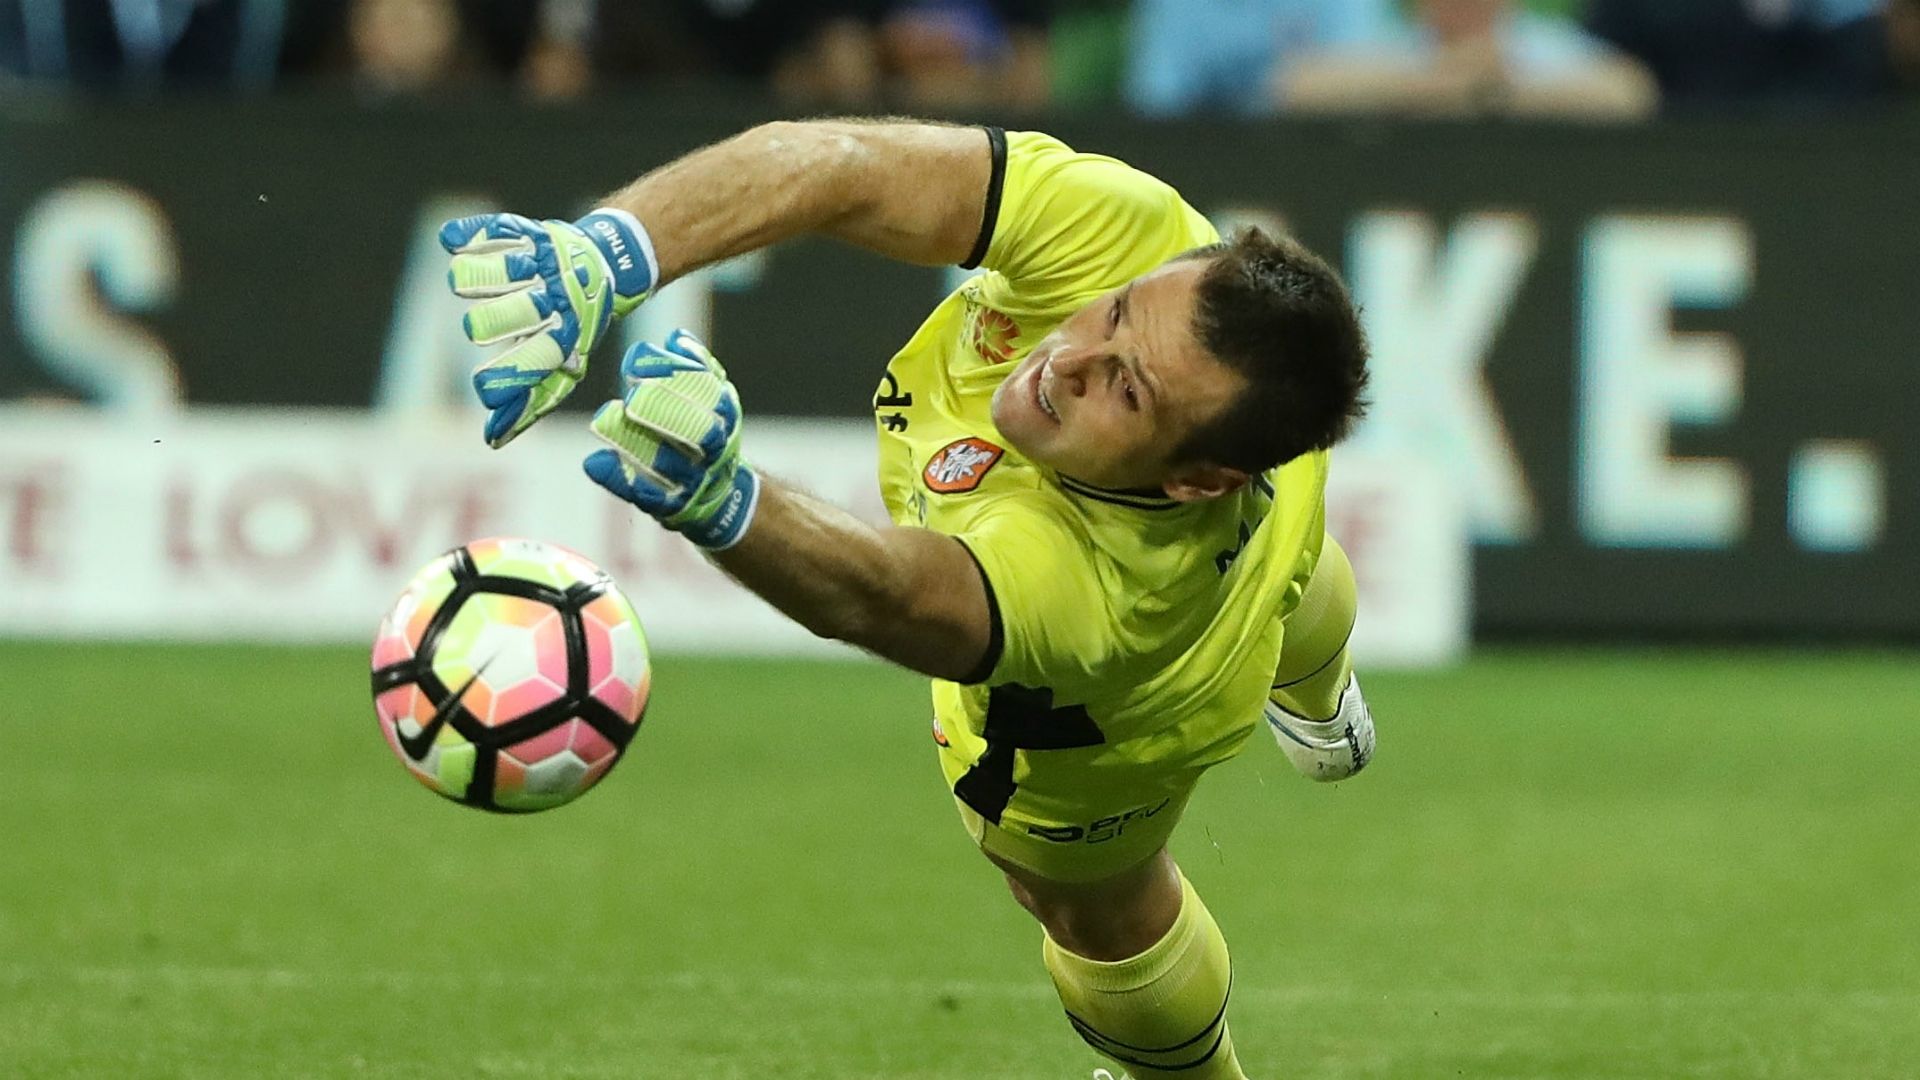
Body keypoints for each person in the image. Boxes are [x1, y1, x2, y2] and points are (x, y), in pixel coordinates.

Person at [437, 119, 1375, 1079]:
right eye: (1115, 314)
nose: (1071, 360)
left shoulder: (1104, 597)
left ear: (1196, 480)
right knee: (1297, 550)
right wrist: (613, 249)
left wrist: (727, 503)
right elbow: (849, 169)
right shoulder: (1134, 234)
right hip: (1276, 512)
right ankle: (1323, 698)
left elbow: (888, 595)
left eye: (1124, 393)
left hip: (1131, 725)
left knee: (1094, 910)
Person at [1280, 0, 1658, 120]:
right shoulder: (1391, 47)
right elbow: (1294, 88)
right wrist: (1433, 83)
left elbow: (1629, 93)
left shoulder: (1544, 47)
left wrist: (1497, 89)